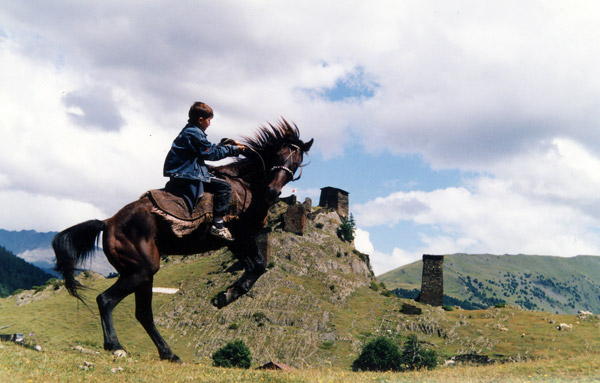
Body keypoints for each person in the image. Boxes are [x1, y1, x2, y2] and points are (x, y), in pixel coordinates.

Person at [163, 101, 245, 241]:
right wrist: (234, 150)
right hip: (187, 173)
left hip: (184, 170)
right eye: (208, 120)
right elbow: (210, 153)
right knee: (224, 187)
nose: (209, 123)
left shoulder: (191, 131)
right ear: (200, 120)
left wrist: (225, 145)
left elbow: (207, 148)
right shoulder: (194, 133)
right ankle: (218, 224)